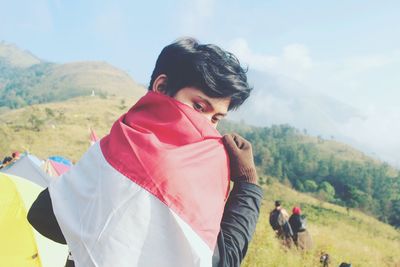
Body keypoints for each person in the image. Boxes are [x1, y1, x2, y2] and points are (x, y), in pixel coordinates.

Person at [28, 38, 263, 267]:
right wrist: (247, 184)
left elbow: (43, 216)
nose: (206, 127)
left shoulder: (107, 151)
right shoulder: (187, 181)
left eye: (215, 119)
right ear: (161, 88)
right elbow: (225, 260)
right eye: (199, 107)